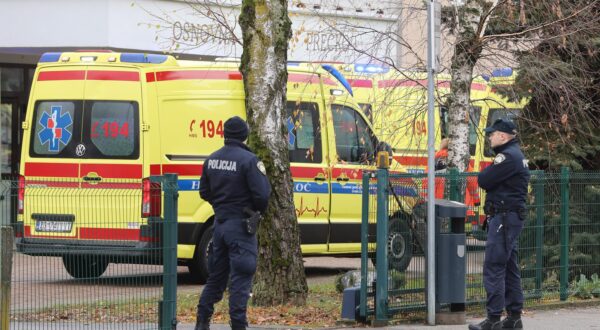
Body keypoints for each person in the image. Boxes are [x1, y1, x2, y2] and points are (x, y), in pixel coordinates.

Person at [195, 116, 271, 330]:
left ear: (225, 134)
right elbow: (262, 195)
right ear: (244, 135)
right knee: (242, 276)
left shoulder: (212, 159)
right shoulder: (249, 160)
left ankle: (202, 320)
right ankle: (238, 324)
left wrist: (221, 206)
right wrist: (255, 211)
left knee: (216, 277)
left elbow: (204, 192)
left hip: (219, 226)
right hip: (241, 227)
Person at [469, 119, 530, 330]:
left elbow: (484, 180)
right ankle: (514, 318)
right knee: (510, 267)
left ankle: (493, 319)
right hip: (510, 217)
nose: (489, 137)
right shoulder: (515, 154)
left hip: (504, 218)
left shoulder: (507, 157)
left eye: (492, 134)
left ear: (502, 136)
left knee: (494, 266)